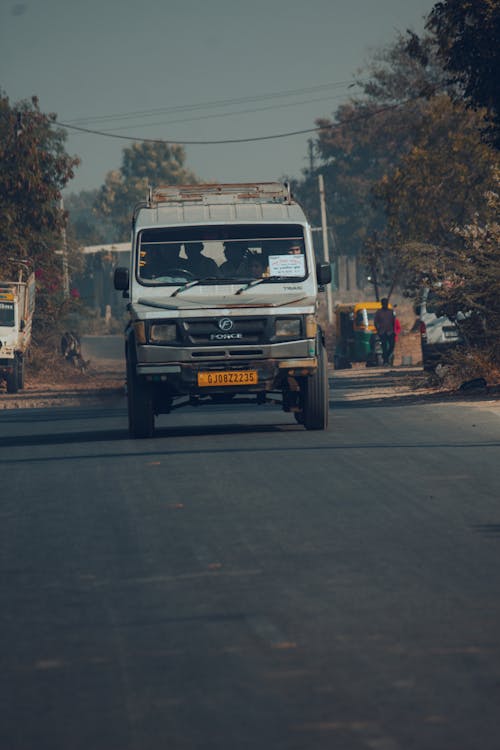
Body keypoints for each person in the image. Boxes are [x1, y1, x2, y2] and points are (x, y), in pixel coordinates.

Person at [374, 297, 395, 365]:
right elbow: (376, 322)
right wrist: (378, 329)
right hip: (382, 332)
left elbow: (393, 321)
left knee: (392, 345)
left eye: (386, 303)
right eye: (384, 303)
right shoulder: (379, 312)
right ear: (382, 304)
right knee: (384, 346)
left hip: (390, 332)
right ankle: (385, 361)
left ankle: (386, 356)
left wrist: (393, 330)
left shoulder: (390, 312)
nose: (385, 304)